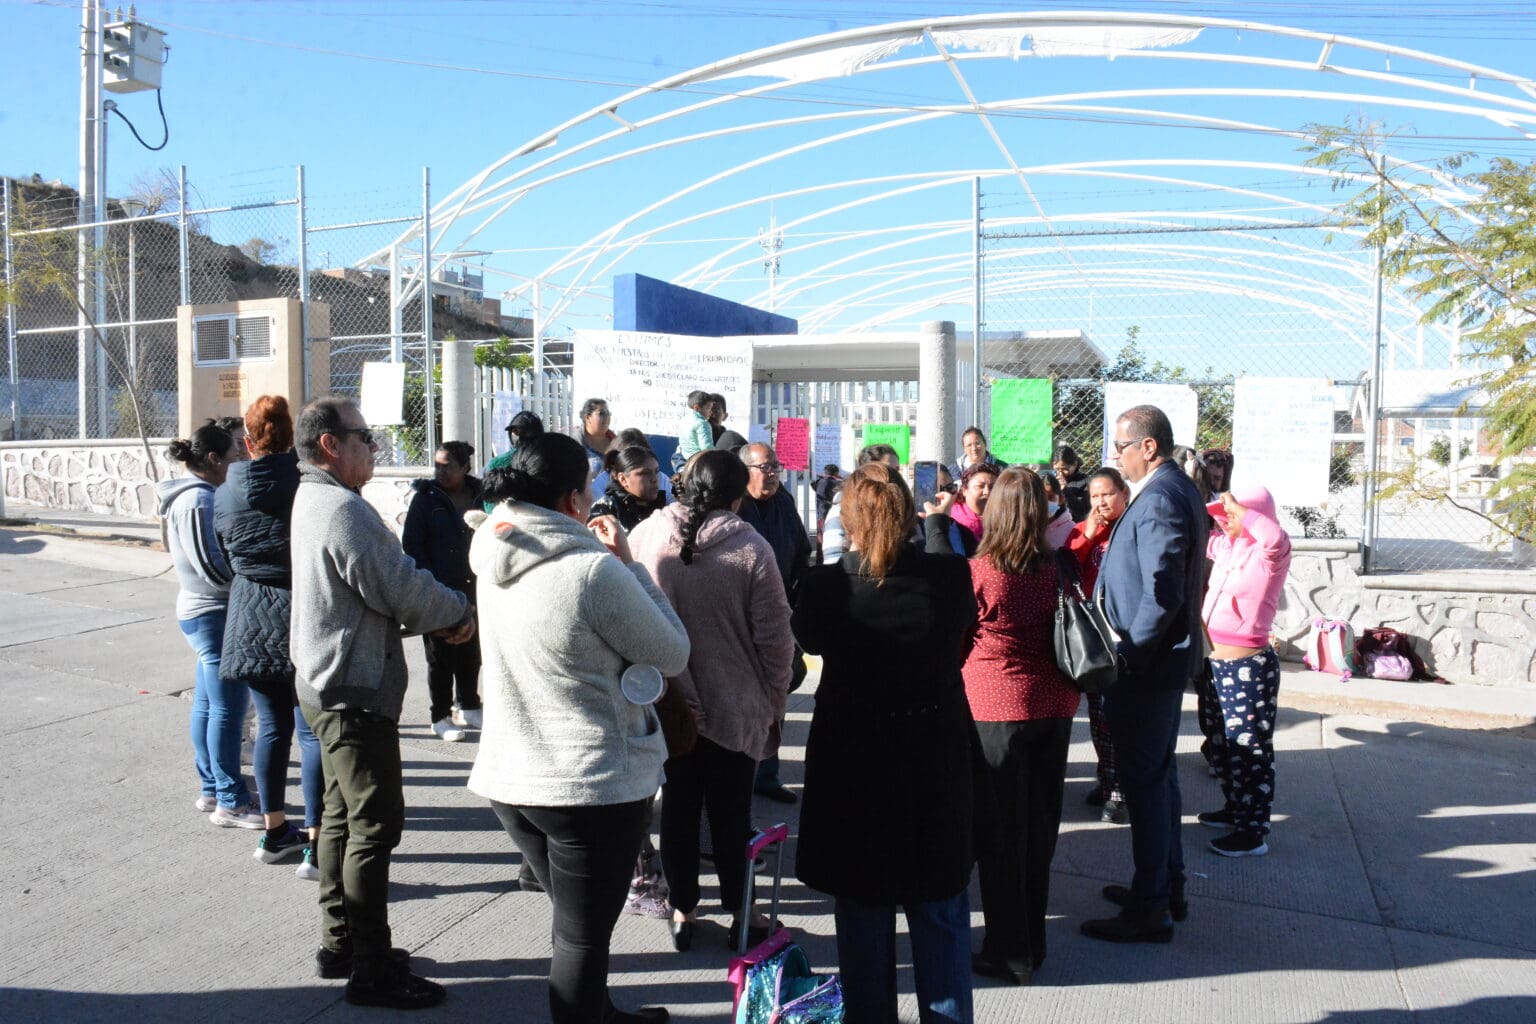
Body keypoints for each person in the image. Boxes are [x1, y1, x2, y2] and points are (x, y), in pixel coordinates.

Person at [469, 432, 689, 1024]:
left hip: (512, 775)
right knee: (581, 936)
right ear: (571, 499)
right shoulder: (592, 571)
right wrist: (630, 565)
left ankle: (599, 1009)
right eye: (588, 488)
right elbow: (671, 651)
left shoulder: (492, 544)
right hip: (586, 783)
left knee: (576, 927)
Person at [290, 397, 475, 1010]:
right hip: (351, 690)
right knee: (374, 826)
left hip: (330, 682)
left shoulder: (318, 499)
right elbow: (400, 586)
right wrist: (458, 614)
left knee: (343, 820)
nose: (374, 446)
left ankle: (341, 943)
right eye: (364, 437)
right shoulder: (342, 510)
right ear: (329, 445)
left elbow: (380, 590)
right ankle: (370, 968)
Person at [793, 461, 978, 1024]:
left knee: (864, 914)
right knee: (939, 910)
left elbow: (809, 639)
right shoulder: (948, 579)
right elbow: (962, 641)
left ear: (847, 518)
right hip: (931, 756)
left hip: (856, 763)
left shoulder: (826, 587)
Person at [630, 450, 795, 953]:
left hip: (668, 703)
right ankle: (742, 911)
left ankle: (683, 908)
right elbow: (775, 637)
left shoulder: (645, 537)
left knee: (678, 809)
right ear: (737, 494)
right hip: (735, 702)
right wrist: (775, 696)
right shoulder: (750, 548)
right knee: (730, 812)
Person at [1081, 405, 1209, 944]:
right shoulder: (1174, 489)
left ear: (1148, 447)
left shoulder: (1159, 497)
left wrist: (1131, 653)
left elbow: (1162, 590)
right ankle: (1162, 885)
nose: (1116, 457)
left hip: (1146, 667)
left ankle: (1151, 905)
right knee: (1159, 780)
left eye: (1121, 447)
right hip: (1156, 662)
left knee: (1146, 784)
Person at [963, 468, 1080, 987]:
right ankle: (1033, 940)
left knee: (999, 836)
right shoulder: (1059, 567)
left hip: (995, 708)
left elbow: (960, 637)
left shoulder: (981, 572)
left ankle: (1008, 951)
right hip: (1053, 705)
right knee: (1038, 831)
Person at [213, 395, 324, 875]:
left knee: (272, 728)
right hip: (303, 613)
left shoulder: (225, 491)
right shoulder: (308, 484)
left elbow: (225, 552)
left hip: (250, 614)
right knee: (312, 732)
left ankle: (275, 830)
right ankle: (317, 846)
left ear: (248, 435)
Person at [157, 422, 247, 826]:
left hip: (208, 612)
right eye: (233, 455)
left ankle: (213, 789)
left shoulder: (201, 496)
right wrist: (253, 582)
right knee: (227, 710)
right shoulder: (198, 501)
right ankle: (230, 800)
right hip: (211, 613)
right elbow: (214, 568)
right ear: (213, 459)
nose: (240, 459)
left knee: (211, 705)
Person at [1199, 484, 1292, 858]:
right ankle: (1234, 808)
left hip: (1247, 667)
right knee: (1219, 743)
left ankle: (1253, 831)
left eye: (1233, 514)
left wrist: (1244, 511)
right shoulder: (1228, 546)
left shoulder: (1270, 554)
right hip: (1215, 662)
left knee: (1248, 748)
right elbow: (1197, 534)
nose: (1225, 520)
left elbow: (1274, 536)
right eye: (1224, 515)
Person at [735, 441, 813, 804]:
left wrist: (795, 595)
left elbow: (800, 549)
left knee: (776, 694)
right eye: (765, 468)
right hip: (740, 617)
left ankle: (767, 774)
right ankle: (741, 776)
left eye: (775, 467)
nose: (772, 474)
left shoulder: (783, 502)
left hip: (779, 610)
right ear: (745, 470)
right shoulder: (734, 505)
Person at [403, 441, 485, 743]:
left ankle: (469, 704)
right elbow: (411, 546)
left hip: (474, 586)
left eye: (447, 466)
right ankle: (440, 716)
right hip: (437, 590)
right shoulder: (426, 499)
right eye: (437, 465)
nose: (440, 471)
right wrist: (428, 585)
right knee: (440, 657)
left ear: (465, 468)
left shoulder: (480, 494)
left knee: (471, 650)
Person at [1062, 468, 1132, 824]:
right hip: (1094, 637)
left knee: (1118, 718)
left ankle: (1120, 792)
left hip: (1125, 638)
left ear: (1124, 492)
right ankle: (1106, 781)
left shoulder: (1132, 527)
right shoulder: (1087, 528)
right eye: (1095, 496)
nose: (1101, 502)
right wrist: (1088, 534)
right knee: (1098, 716)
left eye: (1107, 494)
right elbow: (1068, 566)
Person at [820, 443, 899, 564]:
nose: (895, 476)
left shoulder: (901, 506)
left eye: (897, 470)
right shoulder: (842, 508)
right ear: (867, 471)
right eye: (888, 470)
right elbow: (833, 562)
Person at [924, 462, 998, 558]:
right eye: (980, 486)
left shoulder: (961, 531)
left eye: (950, 488)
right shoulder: (913, 530)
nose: (987, 492)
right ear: (964, 490)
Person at [590, 444, 667, 531]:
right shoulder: (605, 510)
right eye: (645, 473)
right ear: (623, 479)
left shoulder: (665, 509)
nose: (654, 479)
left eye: (656, 472)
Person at [481, 410, 544, 512]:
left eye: (525, 431)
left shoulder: (545, 459)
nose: (519, 436)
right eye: (515, 432)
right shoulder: (497, 463)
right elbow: (489, 502)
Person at [575, 398, 616, 498]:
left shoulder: (616, 442)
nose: (606, 418)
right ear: (587, 417)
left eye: (608, 414)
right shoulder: (575, 443)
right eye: (601, 414)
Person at [673, 390, 715, 472]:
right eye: (708, 408)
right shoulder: (702, 424)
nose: (711, 412)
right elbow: (707, 448)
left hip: (683, 459)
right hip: (697, 462)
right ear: (697, 408)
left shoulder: (684, 420)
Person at [1037, 470, 1076, 550]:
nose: (1045, 503)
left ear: (1061, 499)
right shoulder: (1028, 527)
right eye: (1040, 498)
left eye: (1051, 498)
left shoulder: (1072, 530)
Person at [1053, 445, 1090, 522]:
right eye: (1057, 469)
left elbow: (1081, 510)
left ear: (1075, 464)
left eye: (1065, 469)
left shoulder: (1085, 481)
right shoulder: (1052, 479)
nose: (1060, 473)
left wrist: (1065, 490)